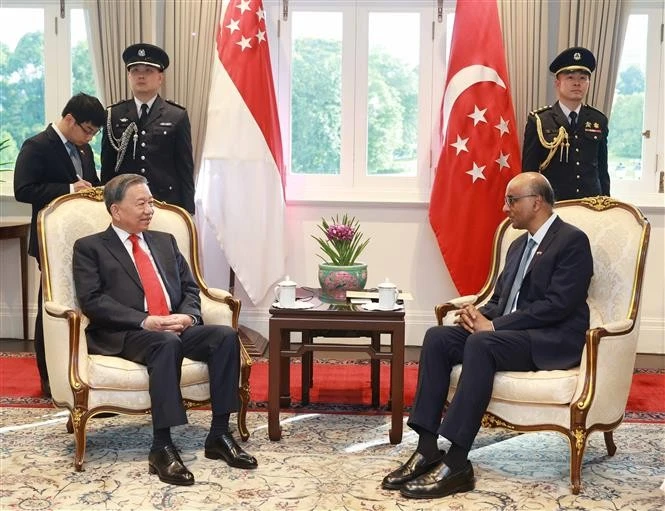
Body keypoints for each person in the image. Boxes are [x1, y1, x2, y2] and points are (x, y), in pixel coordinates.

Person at [382, 172, 593, 499]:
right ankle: (426, 448)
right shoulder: (519, 243)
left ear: (536, 202)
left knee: (483, 341)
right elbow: (499, 300)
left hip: (547, 339)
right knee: (438, 337)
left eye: (512, 200)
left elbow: (558, 306)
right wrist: (477, 315)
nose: (504, 207)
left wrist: (493, 326)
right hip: (506, 335)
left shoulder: (572, 241)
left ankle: (457, 461)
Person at [72, 173, 256, 485]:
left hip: (174, 325)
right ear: (116, 210)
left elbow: (189, 289)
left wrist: (188, 318)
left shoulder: (164, 241)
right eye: (140, 203)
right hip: (128, 332)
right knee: (165, 344)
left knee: (224, 337)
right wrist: (144, 320)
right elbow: (93, 301)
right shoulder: (90, 248)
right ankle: (162, 447)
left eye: (151, 202)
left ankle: (219, 434)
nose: (149, 210)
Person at [14, 92, 105, 398]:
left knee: (86, 303)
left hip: (84, 241)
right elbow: (23, 190)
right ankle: (50, 378)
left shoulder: (85, 150)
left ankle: (84, 373)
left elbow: (91, 182)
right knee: (52, 308)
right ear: (69, 120)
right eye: (87, 130)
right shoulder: (36, 146)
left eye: (94, 133)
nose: (89, 138)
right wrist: (68, 189)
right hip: (50, 242)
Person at [101, 43, 195, 214]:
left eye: (148, 71)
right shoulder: (113, 114)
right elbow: (107, 167)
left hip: (166, 203)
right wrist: (106, 207)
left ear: (160, 78)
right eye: (135, 70)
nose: (141, 76)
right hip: (125, 206)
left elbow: (185, 168)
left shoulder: (176, 115)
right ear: (129, 76)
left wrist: (188, 211)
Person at [522, 47, 609, 200]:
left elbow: (602, 170)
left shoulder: (598, 120)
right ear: (557, 82)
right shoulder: (539, 120)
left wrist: (606, 202)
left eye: (583, 78)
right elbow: (529, 172)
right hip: (554, 205)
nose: (577, 83)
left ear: (589, 83)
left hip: (590, 205)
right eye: (570, 77)